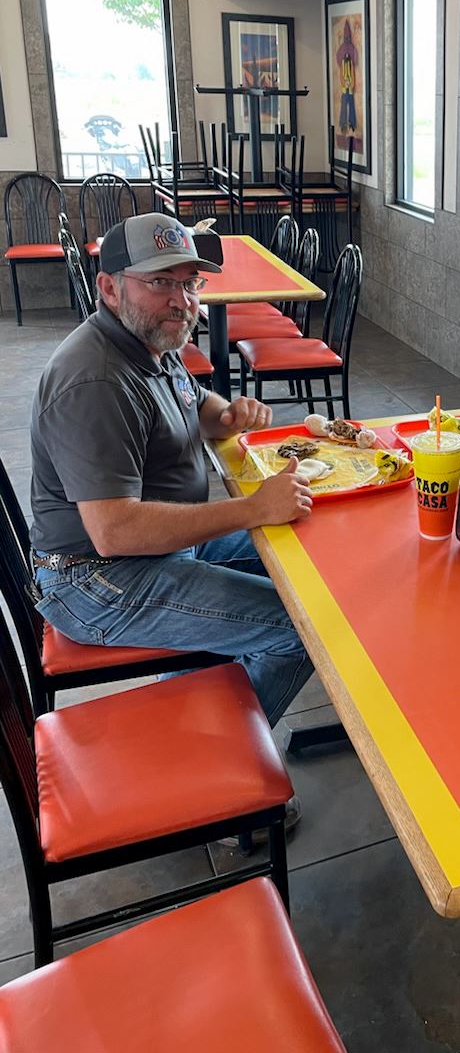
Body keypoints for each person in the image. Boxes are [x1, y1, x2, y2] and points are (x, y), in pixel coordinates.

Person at [30, 214, 315, 772]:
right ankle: (216, 773)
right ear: (109, 287)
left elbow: (193, 400)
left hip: (154, 549)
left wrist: (227, 415)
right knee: (302, 628)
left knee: (306, 548)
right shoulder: (94, 381)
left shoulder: (150, 339)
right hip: (95, 578)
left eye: (189, 283)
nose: (180, 299)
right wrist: (253, 507)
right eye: (160, 281)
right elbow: (115, 532)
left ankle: (190, 684)